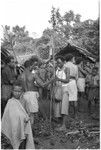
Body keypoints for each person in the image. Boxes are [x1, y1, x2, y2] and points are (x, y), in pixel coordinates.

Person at [1, 81, 35, 149]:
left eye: (19, 91)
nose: (17, 93)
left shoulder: (24, 100)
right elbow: (6, 116)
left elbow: (28, 112)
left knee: (22, 142)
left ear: (22, 92)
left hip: (23, 125)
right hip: (14, 126)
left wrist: (27, 118)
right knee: (14, 139)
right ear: (12, 91)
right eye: (15, 91)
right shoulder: (10, 102)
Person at [54, 56, 70, 131]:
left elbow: (67, 80)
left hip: (64, 89)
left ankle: (64, 126)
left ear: (64, 62)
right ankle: (60, 124)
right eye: (57, 62)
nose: (58, 64)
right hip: (58, 89)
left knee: (64, 108)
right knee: (58, 107)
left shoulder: (67, 69)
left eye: (59, 62)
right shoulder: (56, 69)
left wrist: (58, 79)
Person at [64, 54, 78, 118]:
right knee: (74, 98)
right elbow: (77, 77)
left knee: (66, 98)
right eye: (73, 58)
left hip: (65, 82)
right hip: (73, 82)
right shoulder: (75, 66)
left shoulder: (64, 65)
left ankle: (67, 113)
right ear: (71, 58)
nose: (74, 59)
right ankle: (75, 115)